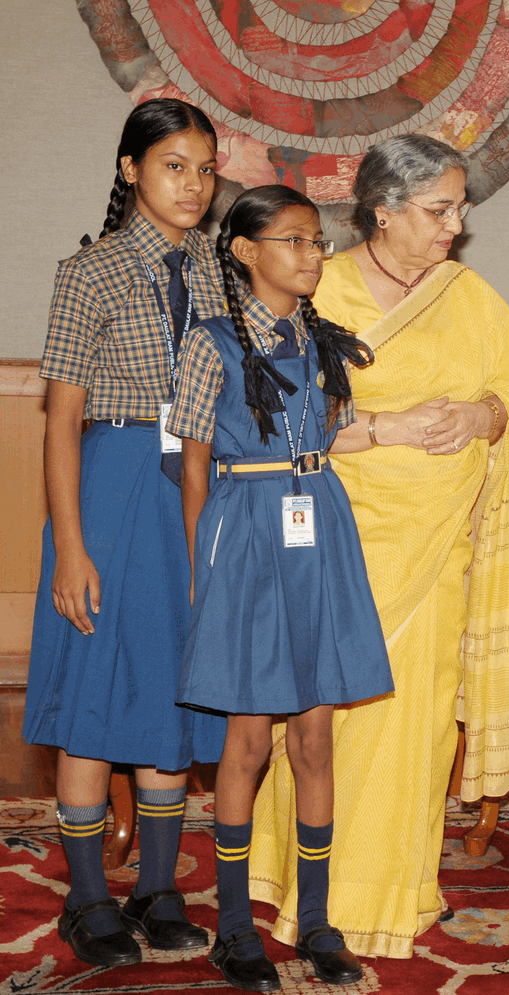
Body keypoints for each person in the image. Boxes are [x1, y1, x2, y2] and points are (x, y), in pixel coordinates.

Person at [247, 135, 509, 958]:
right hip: (344, 545)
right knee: (328, 726)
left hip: (439, 550)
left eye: (459, 208)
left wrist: (483, 416)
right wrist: (391, 426)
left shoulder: (470, 296)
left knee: (415, 727)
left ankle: (392, 888)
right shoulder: (324, 289)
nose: (456, 224)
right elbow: (279, 419)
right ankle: (307, 892)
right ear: (383, 210)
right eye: (438, 209)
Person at [169, 185, 394, 989]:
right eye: (294, 240)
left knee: (316, 736)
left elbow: (337, 430)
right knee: (249, 739)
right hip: (248, 532)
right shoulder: (210, 344)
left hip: (318, 527)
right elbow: (192, 462)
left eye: (317, 241)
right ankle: (234, 929)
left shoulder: (324, 340)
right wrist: (204, 570)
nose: (312, 254)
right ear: (245, 251)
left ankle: (317, 919)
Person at [22, 98, 227, 969]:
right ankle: (87, 897)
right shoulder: (91, 272)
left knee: (177, 690)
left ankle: (157, 884)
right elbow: (60, 422)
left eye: (205, 168)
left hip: (192, 491)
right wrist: (72, 546)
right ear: (130, 168)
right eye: (173, 164)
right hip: (108, 492)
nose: (191, 184)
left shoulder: (219, 273)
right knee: (98, 698)